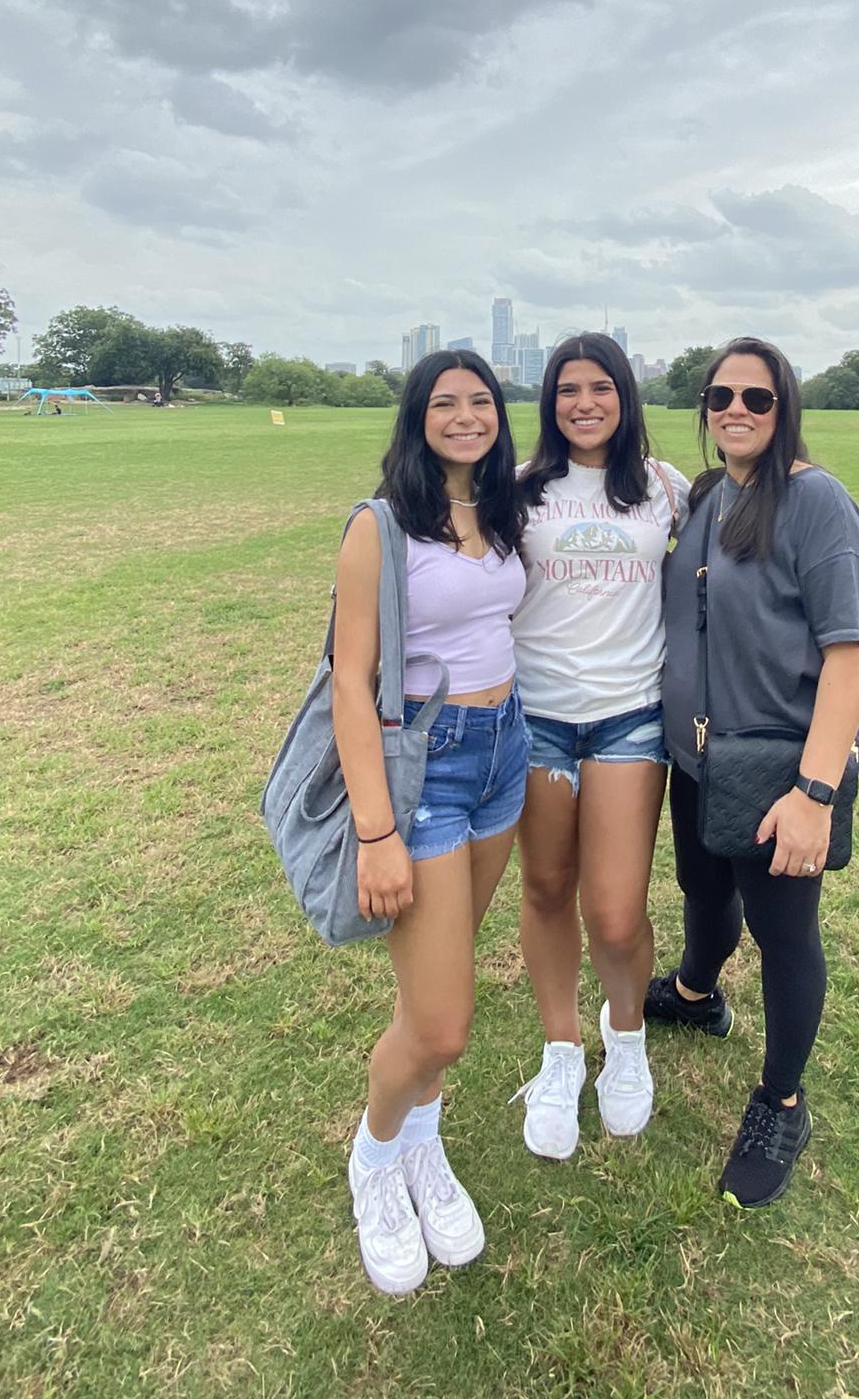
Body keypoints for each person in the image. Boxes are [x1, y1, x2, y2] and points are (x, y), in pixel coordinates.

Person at [646, 336, 859, 1209]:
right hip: (698, 757)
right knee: (704, 892)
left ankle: (782, 1099)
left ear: (785, 410)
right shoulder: (707, 496)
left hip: (779, 765)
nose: (735, 410)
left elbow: (850, 655)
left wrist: (815, 794)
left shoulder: (815, 502)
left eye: (757, 397)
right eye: (720, 398)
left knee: (785, 936)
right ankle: (699, 993)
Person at [330, 349, 529, 1294]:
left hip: (505, 755)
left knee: (434, 991)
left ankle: (424, 1145)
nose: (464, 416)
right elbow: (350, 688)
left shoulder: (500, 510)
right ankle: (375, 1159)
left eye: (479, 402)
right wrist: (375, 831)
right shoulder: (380, 527)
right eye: (443, 403)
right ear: (416, 420)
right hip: (429, 772)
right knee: (444, 1024)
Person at [509, 334, 689, 1157]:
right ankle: (560, 1055)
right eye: (568, 389)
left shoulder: (664, 489)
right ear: (550, 401)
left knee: (615, 913)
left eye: (601, 388)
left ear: (626, 396)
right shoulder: (518, 492)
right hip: (538, 717)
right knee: (547, 889)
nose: (584, 403)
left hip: (630, 715)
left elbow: (755, 507)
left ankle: (627, 1043)